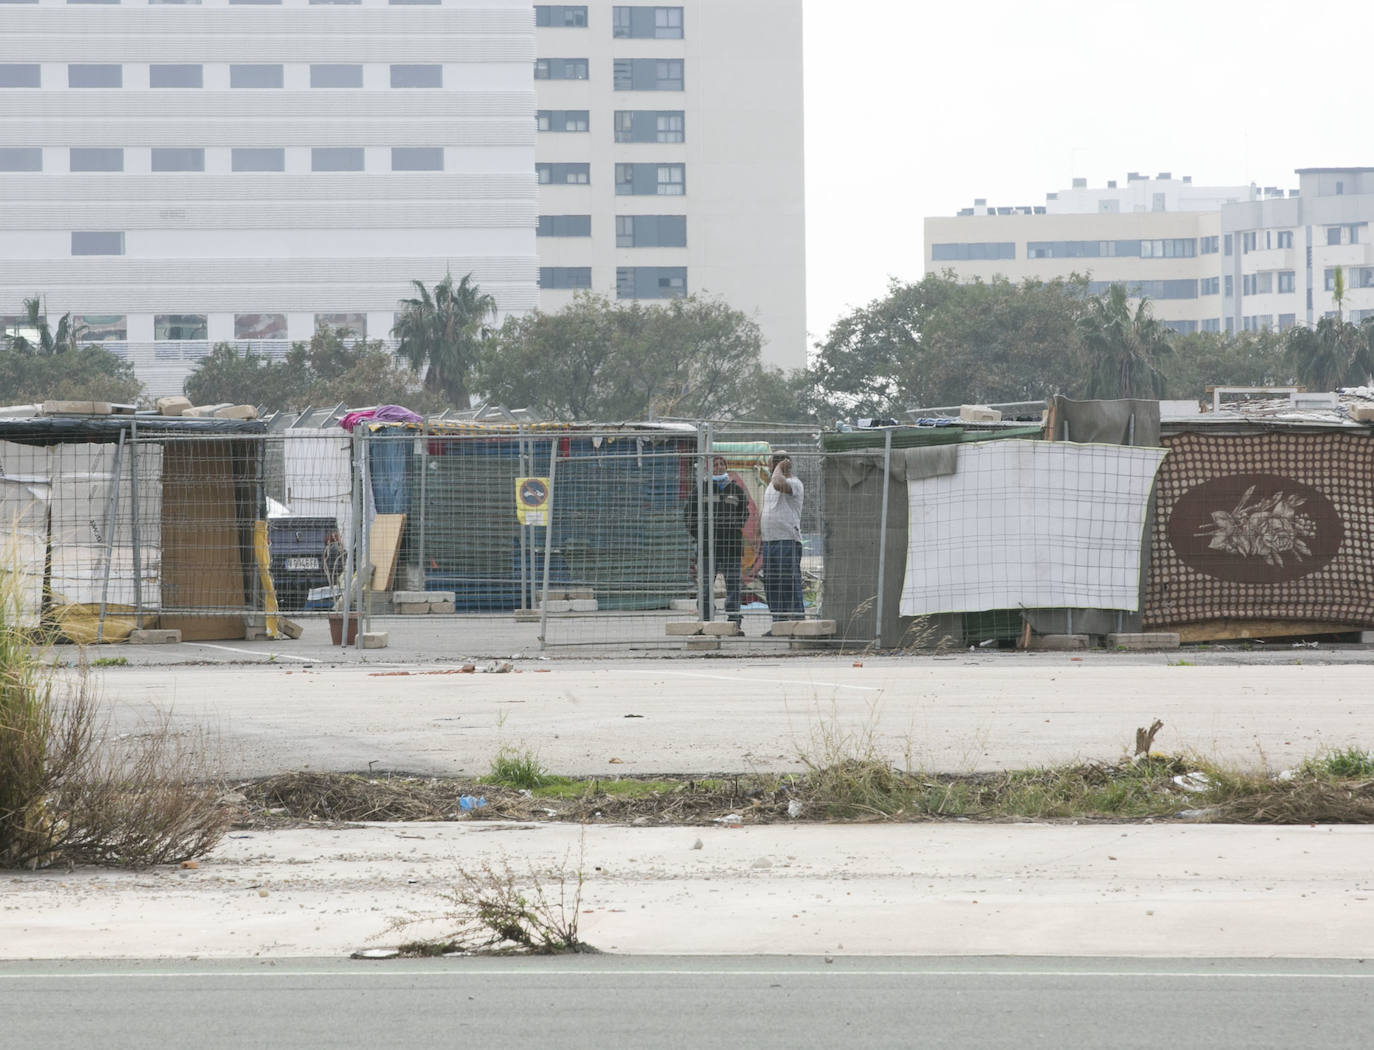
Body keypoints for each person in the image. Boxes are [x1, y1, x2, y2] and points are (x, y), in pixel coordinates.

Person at [685, 454, 748, 628]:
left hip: (731, 546)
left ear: (726, 467)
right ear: (708, 468)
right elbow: (688, 514)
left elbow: (744, 512)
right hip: (707, 547)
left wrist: (734, 527)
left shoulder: (736, 490)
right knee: (705, 586)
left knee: (733, 586)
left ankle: (734, 621)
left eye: (722, 464)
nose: (718, 467)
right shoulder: (701, 489)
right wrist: (700, 534)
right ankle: (706, 620)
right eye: (715, 465)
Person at [761, 450, 804, 627]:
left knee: (788, 581)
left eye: (772, 464)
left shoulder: (793, 483)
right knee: (771, 583)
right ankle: (778, 623)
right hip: (769, 541)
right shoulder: (771, 485)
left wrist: (779, 467)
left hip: (786, 539)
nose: (769, 468)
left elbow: (780, 483)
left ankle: (797, 622)